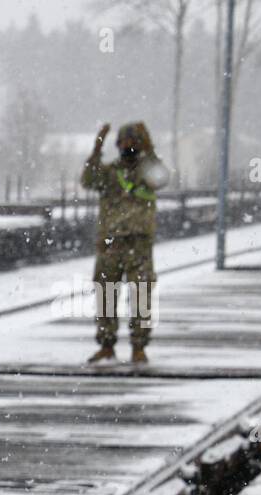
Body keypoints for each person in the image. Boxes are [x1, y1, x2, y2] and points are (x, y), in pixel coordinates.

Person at [81, 121, 169, 365]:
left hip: (139, 242)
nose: (128, 146)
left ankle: (139, 346)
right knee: (105, 293)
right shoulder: (109, 173)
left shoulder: (147, 171)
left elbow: (162, 178)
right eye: (124, 142)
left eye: (133, 142)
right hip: (110, 242)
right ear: (118, 145)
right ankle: (106, 345)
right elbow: (88, 180)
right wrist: (96, 149)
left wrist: (150, 148)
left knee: (141, 295)